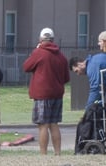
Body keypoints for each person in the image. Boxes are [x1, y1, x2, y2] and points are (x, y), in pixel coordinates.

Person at [23, 27, 70, 155]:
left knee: (43, 125)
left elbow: (26, 67)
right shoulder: (61, 56)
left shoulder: (39, 53)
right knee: (54, 124)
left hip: (42, 94)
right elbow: (66, 78)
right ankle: (58, 153)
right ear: (53, 40)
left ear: (40, 39)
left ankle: (43, 154)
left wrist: (36, 50)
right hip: (57, 94)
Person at [69, 30, 106, 126]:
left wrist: (88, 109)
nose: (98, 44)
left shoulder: (93, 64)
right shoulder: (102, 58)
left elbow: (95, 88)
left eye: (100, 41)